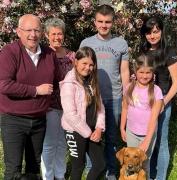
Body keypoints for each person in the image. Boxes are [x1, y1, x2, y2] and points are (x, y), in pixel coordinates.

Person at [0, 14, 59, 180]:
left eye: (37, 30)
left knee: (33, 168)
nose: (33, 34)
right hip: (13, 120)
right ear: (19, 32)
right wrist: (35, 90)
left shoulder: (49, 54)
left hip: (39, 120)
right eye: (28, 30)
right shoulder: (9, 52)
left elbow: (58, 80)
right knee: (13, 170)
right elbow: (3, 85)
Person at [80, 4, 129, 179]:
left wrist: (126, 95)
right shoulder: (86, 43)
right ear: (94, 22)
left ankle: (111, 172)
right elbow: (81, 70)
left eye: (107, 22)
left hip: (114, 98)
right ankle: (92, 168)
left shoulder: (121, 43)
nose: (104, 25)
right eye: (100, 21)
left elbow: (124, 71)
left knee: (112, 138)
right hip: (91, 98)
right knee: (90, 135)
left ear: (113, 22)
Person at [140, 16, 177, 180]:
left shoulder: (170, 52)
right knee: (149, 141)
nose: (152, 36)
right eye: (149, 32)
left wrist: (164, 102)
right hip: (144, 104)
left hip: (162, 102)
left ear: (161, 31)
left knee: (161, 143)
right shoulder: (143, 51)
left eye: (155, 32)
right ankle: (149, 175)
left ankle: (160, 177)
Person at [60, 46, 106, 180]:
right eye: (84, 63)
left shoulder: (93, 81)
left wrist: (99, 128)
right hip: (74, 131)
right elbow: (70, 115)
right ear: (76, 62)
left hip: (93, 130)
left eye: (91, 65)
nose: (88, 67)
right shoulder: (69, 83)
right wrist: (88, 132)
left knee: (100, 165)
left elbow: (100, 107)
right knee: (78, 166)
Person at [41, 18, 75, 180]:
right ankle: (48, 176)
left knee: (62, 144)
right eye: (53, 34)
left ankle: (60, 175)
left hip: (68, 108)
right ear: (47, 35)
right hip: (50, 106)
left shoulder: (71, 56)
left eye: (59, 33)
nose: (57, 37)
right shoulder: (42, 54)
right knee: (49, 144)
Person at [120, 54, 163, 179]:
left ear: (153, 72)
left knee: (143, 164)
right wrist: (122, 127)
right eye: (141, 72)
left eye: (148, 72)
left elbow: (154, 119)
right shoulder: (129, 87)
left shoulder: (156, 91)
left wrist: (147, 141)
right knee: (130, 163)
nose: (144, 76)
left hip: (147, 134)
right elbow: (125, 108)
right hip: (131, 132)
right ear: (135, 71)